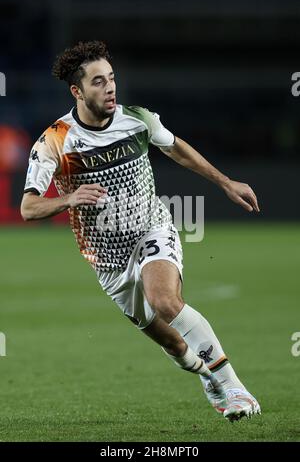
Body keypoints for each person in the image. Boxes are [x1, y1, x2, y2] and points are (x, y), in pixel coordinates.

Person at [21, 40, 261, 422]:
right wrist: (68, 200)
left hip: (151, 229)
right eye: (98, 82)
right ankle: (208, 379)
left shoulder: (138, 119)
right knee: (174, 343)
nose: (110, 87)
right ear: (77, 91)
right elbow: (29, 207)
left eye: (112, 78)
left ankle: (234, 387)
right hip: (108, 262)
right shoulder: (54, 141)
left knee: (165, 300)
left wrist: (225, 182)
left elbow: (176, 148)